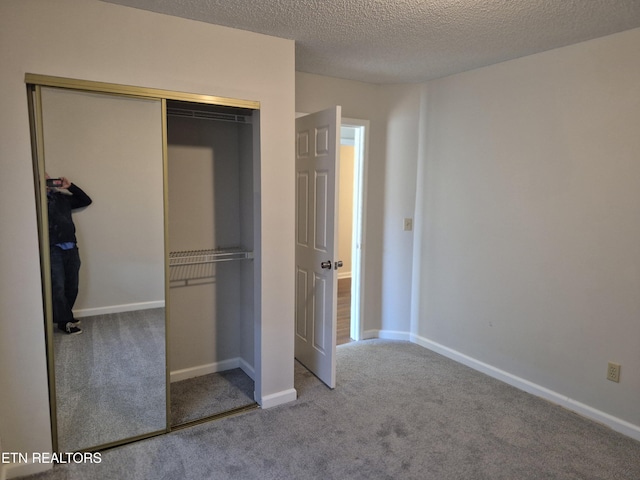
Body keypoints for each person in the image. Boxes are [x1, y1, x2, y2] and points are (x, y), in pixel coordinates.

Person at [46, 174, 92, 335]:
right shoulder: (35, 201)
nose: (47, 182)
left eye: (48, 179)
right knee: (58, 287)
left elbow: (86, 200)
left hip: (71, 248)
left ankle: (65, 316)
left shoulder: (61, 198)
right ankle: (64, 321)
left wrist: (70, 186)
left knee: (72, 286)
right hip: (52, 249)